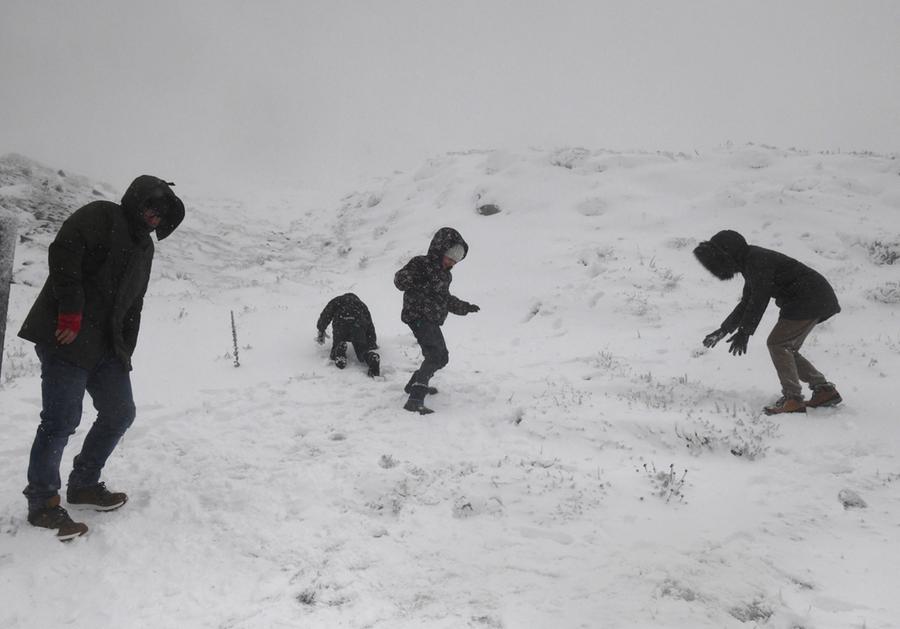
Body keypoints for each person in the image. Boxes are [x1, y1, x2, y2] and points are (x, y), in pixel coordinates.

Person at [17, 175, 185, 540]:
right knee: (61, 420)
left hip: (105, 345)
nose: (155, 217)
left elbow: (133, 303)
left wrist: (125, 348)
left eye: (162, 213)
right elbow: (64, 251)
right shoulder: (102, 216)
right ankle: (42, 502)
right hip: (67, 335)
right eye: (151, 207)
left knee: (120, 412)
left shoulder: (145, 248)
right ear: (137, 200)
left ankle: (83, 484)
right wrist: (71, 310)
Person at [693, 229, 842, 415]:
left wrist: (745, 332)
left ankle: (793, 399)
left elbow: (759, 299)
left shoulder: (756, 262)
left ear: (728, 254)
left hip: (809, 299)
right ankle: (824, 390)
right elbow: (747, 301)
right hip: (814, 298)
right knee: (785, 348)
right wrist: (724, 330)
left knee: (778, 344)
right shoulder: (751, 261)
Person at [394, 227, 479, 414]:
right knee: (435, 355)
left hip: (431, 319)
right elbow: (400, 280)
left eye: (456, 260)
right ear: (440, 250)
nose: (452, 263)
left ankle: (415, 384)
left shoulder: (445, 275)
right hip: (417, 315)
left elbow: (444, 298)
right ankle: (415, 399)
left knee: (441, 357)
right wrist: (413, 277)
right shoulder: (421, 263)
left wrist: (464, 307)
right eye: (450, 257)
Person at [316, 292, 380, 377]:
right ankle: (370, 357)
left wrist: (321, 329)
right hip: (357, 326)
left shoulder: (337, 300)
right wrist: (372, 343)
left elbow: (326, 315)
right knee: (362, 350)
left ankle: (339, 350)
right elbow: (369, 325)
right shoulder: (361, 304)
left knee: (336, 347)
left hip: (341, 323)